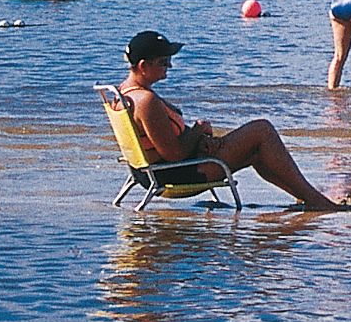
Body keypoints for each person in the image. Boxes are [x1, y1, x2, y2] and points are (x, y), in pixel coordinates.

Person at [117, 30, 337, 210]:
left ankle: (307, 198)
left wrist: (199, 140)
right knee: (262, 130)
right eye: (164, 62)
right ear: (144, 66)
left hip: (150, 173)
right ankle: (315, 200)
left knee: (258, 149)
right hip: (178, 174)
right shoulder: (145, 102)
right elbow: (175, 154)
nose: (170, 67)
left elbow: (162, 145)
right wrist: (199, 130)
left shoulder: (124, 93)